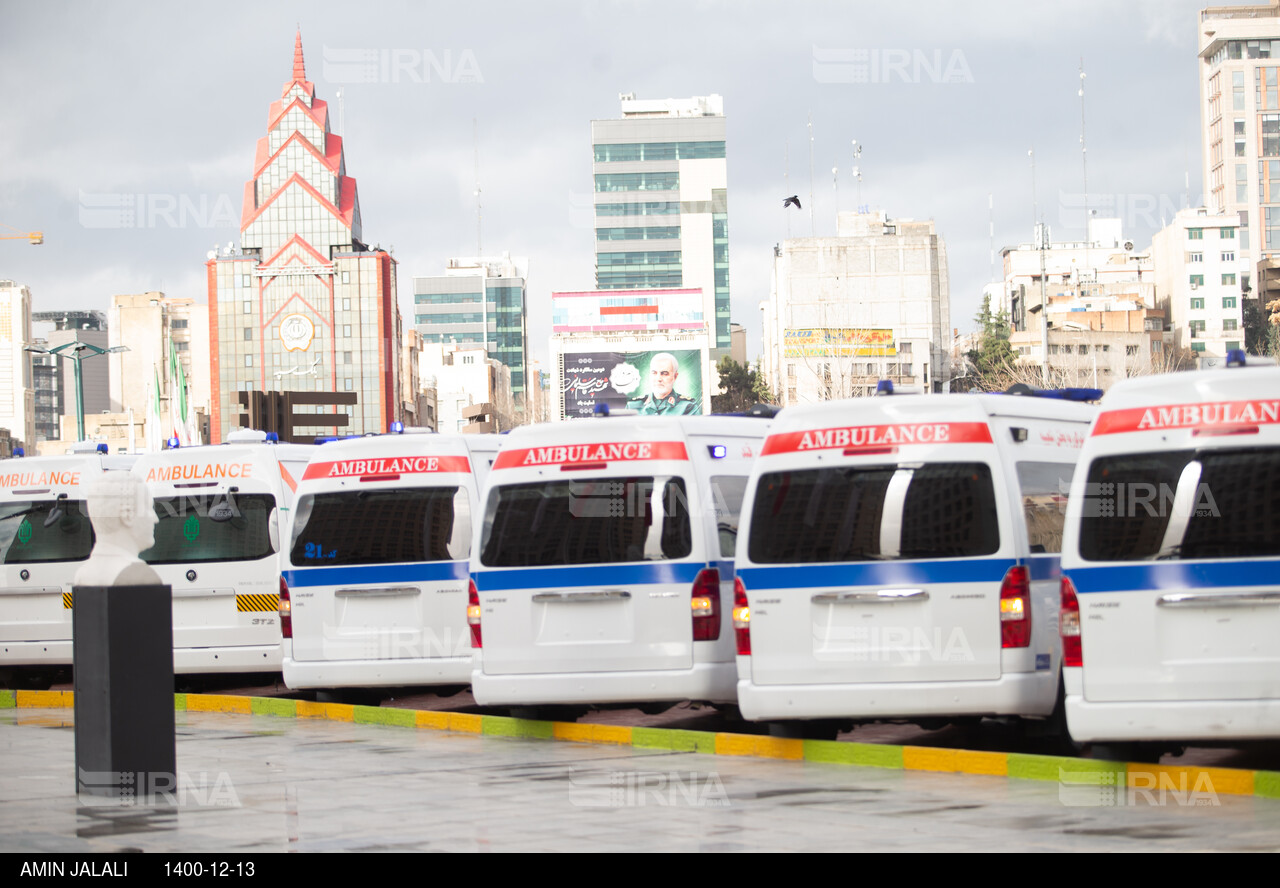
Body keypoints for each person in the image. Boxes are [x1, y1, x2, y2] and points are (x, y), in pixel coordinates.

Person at [74, 471, 163, 586]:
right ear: (128, 515)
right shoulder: (141, 577)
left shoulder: (83, 574)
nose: (155, 519)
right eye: (149, 508)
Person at [627, 353, 701, 415]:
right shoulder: (633, 406)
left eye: (664, 374)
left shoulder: (687, 407)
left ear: (675, 376)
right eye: (654, 373)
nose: (659, 379)